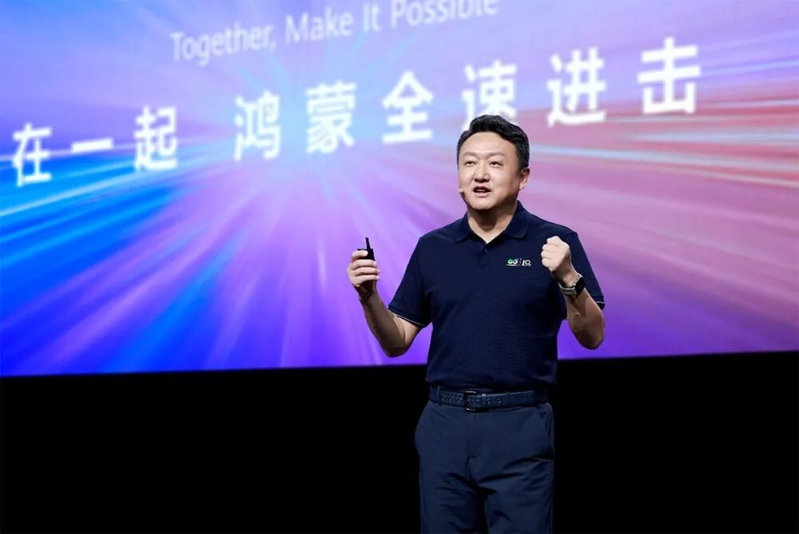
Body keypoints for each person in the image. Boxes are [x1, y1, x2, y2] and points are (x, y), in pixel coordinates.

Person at [346, 114, 606, 533]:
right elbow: (397, 341)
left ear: (523, 177)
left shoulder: (556, 242)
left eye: (495, 163)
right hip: (444, 423)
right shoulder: (433, 247)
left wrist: (568, 278)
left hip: (519, 422)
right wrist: (369, 297)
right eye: (469, 163)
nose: (480, 174)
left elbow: (592, 336)